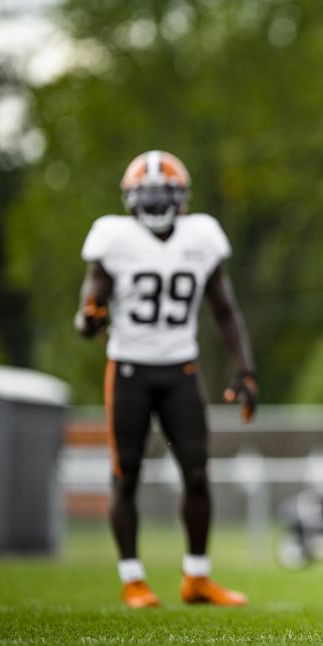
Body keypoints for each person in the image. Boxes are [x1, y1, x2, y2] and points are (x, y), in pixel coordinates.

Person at [75, 150, 258, 609]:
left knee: (197, 471)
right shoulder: (112, 238)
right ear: (131, 200)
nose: (156, 203)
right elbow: (90, 301)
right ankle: (133, 579)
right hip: (129, 368)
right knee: (126, 473)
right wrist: (88, 320)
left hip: (182, 368)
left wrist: (246, 369)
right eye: (148, 194)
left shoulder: (202, 236)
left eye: (165, 194)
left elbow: (224, 309)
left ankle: (196, 577)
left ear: (182, 198)